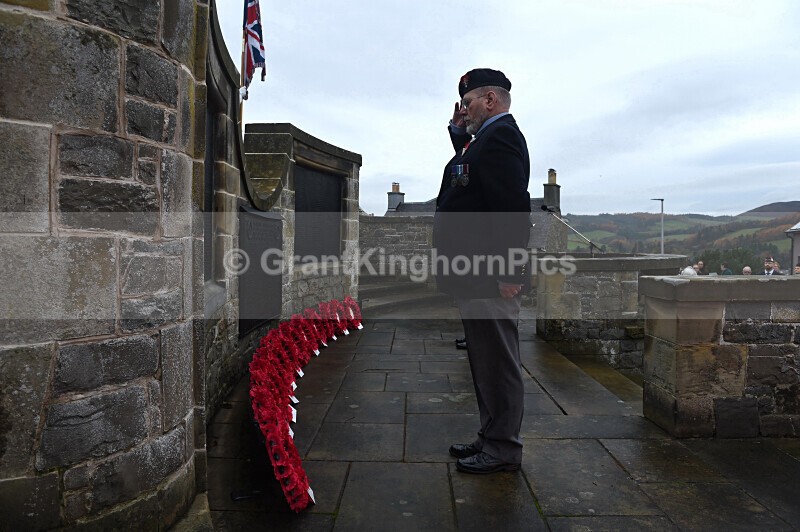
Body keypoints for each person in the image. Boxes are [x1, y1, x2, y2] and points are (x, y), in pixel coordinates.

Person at [433, 68, 530, 474]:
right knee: (484, 363)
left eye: (468, 102)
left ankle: (503, 447)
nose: (464, 109)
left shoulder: (502, 137)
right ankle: (490, 436)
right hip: (475, 275)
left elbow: (512, 210)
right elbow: (467, 173)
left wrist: (510, 272)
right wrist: (460, 134)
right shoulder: (484, 139)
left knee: (498, 365)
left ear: (489, 100)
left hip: (491, 277)